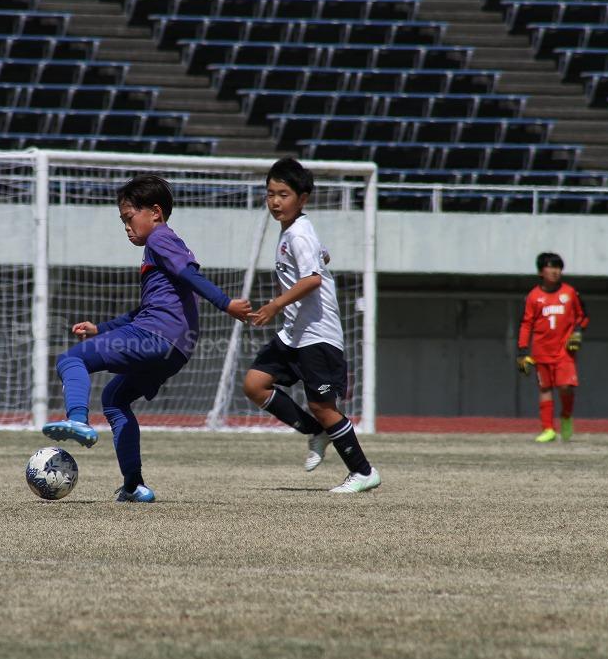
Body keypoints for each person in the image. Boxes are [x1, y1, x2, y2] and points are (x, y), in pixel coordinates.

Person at [42, 174, 251, 502]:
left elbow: (189, 275)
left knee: (70, 359)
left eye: (129, 217)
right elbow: (145, 310)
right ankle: (134, 486)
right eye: (122, 221)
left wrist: (227, 303)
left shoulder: (159, 239)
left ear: (155, 212)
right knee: (114, 399)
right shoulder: (164, 246)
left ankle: (78, 420)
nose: (126, 226)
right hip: (176, 350)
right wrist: (102, 329)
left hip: (154, 337)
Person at [243, 157, 381, 493]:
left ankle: (363, 472)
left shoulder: (299, 233)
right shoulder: (294, 232)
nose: (275, 201)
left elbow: (314, 279)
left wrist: (275, 305)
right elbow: (321, 258)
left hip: (317, 333)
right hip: (294, 334)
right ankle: (315, 431)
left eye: (284, 194)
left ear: (302, 198)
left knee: (323, 406)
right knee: (255, 384)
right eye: (271, 194)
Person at [516, 252, 589, 443]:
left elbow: (583, 316)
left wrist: (578, 333)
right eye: (551, 267)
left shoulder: (570, 293)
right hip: (541, 351)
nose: (556, 271)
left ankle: (566, 416)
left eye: (558, 267)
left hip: (565, 351)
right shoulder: (533, 297)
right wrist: (523, 351)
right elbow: (526, 324)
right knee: (545, 388)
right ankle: (548, 429)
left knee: (565, 387)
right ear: (541, 271)